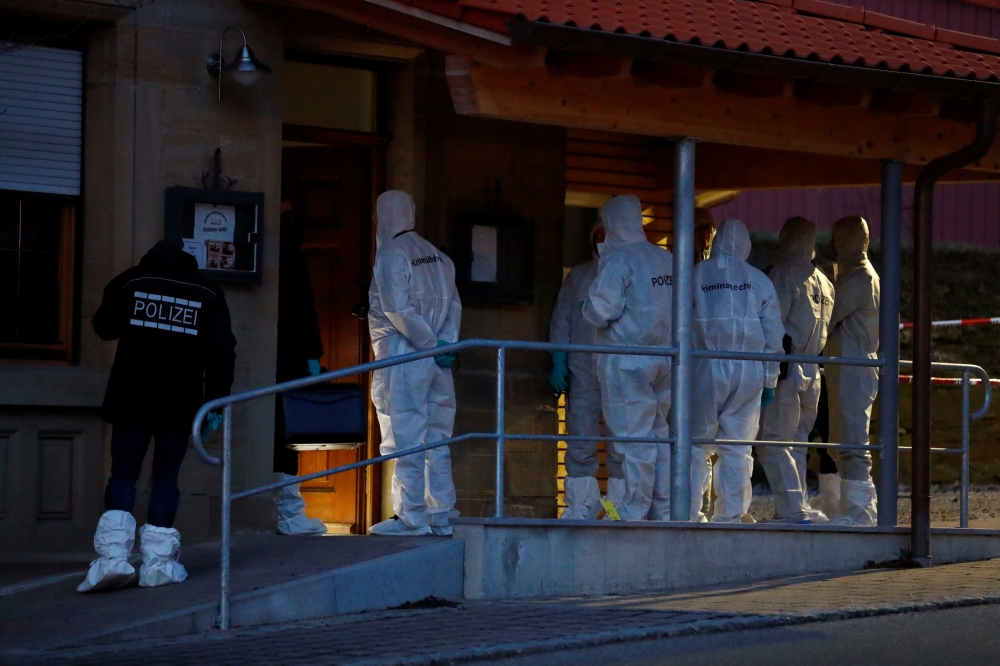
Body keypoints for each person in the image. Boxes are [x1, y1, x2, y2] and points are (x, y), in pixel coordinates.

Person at [80, 239, 236, 592]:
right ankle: (159, 565)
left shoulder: (132, 281)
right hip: (179, 403)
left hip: (132, 398)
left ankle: (113, 560)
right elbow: (223, 352)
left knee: (123, 473)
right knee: (165, 478)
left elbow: (105, 327)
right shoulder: (208, 293)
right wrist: (215, 402)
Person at [368, 190, 462, 536]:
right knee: (437, 436)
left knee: (403, 434)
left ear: (385, 214)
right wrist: (445, 346)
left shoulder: (392, 254)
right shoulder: (438, 256)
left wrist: (426, 345)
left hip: (405, 356)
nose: (376, 221)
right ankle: (442, 514)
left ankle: (412, 516)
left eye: (378, 214)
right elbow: (454, 306)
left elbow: (396, 309)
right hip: (439, 360)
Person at [583, 195, 673, 521]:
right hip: (665, 358)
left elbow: (600, 310)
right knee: (659, 435)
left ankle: (634, 511)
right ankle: (665, 510)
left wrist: (586, 308)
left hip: (627, 361)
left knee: (633, 440)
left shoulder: (619, 260)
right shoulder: (666, 259)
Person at [690, 218, 783, 523]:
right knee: (738, 447)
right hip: (749, 370)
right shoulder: (759, 281)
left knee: (694, 445)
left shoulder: (694, 275)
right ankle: (731, 516)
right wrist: (770, 379)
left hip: (704, 367)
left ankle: (688, 513)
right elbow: (773, 337)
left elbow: (679, 323)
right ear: (746, 246)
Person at [757, 217, 835, 524]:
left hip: (785, 369)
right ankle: (795, 505)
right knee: (798, 443)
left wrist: (766, 372)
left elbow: (772, 326)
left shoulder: (782, 276)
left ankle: (792, 510)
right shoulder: (825, 281)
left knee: (774, 442)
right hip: (812, 369)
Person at [549, 221, 625, 518]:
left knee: (622, 442)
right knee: (581, 439)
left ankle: (619, 507)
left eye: (609, 235)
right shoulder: (579, 277)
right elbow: (562, 319)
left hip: (619, 370)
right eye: (599, 236)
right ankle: (580, 508)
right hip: (582, 369)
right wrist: (558, 359)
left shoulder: (625, 273)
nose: (603, 242)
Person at [272, 197, 328, 536]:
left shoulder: (266, 237)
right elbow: (302, 304)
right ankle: (289, 514)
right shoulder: (287, 242)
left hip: (277, 349)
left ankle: (285, 511)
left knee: (277, 433)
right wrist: (313, 354)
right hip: (291, 352)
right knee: (288, 434)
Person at [825, 216, 880, 526]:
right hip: (851, 366)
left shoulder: (857, 278)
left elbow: (827, 318)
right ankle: (851, 509)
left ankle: (860, 515)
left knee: (852, 443)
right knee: (843, 441)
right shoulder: (859, 275)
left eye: (836, 238)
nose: (832, 245)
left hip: (853, 367)